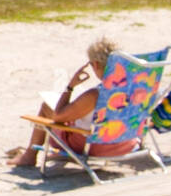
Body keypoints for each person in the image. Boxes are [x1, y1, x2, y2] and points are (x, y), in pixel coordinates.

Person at [7, 37, 137, 166]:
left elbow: (58, 116)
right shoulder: (136, 87)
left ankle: (29, 156)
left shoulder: (95, 95)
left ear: (96, 64)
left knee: (47, 107)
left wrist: (70, 87)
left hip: (97, 147)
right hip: (126, 143)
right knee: (77, 116)